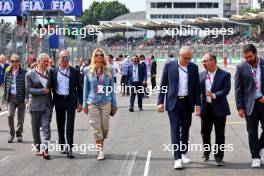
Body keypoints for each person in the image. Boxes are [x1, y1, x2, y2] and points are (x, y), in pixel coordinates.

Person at [157, 46, 201, 169]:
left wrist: (198, 104)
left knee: (186, 129)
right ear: (178, 55)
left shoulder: (193, 67)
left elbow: (197, 87)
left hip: (187, 102)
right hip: (173, 102)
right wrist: (160, 102)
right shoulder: (169, 66)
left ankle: (182, 152)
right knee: (175, 128)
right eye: (185, 58)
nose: (187, 60)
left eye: (189, 58)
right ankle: (177, 158)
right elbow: (163, 84)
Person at [83, 48, 117, 161]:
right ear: (94, 57)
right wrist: (84, 104)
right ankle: (100, 150)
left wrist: (114, 103)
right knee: (96, 127)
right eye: (97, 55)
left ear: (103, 57)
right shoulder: (88, 70)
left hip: (106, 101)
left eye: (101, 55)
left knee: (105, 127)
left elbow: (112, 88)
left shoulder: (110, 69)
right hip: (92, 102)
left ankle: (101, 140)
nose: (99, 57)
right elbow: (86, 89)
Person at [235, 44, 264, 168]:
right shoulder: (241, 67)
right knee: (252, 132)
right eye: (246, 57)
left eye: (250, 56)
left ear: (255, 53)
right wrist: (240, 107)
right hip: (249, 105)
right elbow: (238, 88)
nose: (248, 59)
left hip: (263, 102)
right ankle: (256, 157)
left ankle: (258, 147)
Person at [199, 53, 231, 166]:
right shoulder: (201, 75)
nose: (203, 63)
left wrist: (214, 95)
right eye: (203, 61)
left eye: (205, 61)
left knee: (220, 134)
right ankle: (206, 152)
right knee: (205, 132)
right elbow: (198, 92)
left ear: (213, 61)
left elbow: (226, 90)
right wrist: (197, 106)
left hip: (220, 108)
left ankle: (219, 156)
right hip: (206, 108)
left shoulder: (225, 75)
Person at [50, 50, 83, 159]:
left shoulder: (75, 71)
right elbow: (49, 86)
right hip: (59, 100)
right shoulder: (53, 71)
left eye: (67, 58)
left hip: (71, 101)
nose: (65, 60)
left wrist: (80, 103)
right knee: (60, 124)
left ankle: (70, 148)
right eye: (63, 58)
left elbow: (80, 88)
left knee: (70, 125)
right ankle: (62, 144)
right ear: (58, 59)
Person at [26, 53, 53, 160]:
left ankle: (45, 149)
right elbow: (28, 90)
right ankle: (38, 147)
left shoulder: (50, 72)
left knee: (46, 127)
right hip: (35, 105)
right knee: (36, 128)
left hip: (47, 104)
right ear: (39, 61)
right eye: (45, 61)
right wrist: (42, 91)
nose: (47, 63)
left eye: (48, 61)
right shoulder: (30, 74)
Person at [3, 54, 27, 143]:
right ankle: (12, 134)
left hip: (21, 98)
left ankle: (19, 134)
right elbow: (6, 84)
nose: (14, 63)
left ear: (19, 62)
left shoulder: (24, 72)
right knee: (10, 116)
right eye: (12, 61)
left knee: (20, 119)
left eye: (16, 61)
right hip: (11, 98)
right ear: (10, 62)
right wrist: (5, 97)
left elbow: (27, 86)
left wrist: (27, 97)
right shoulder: (8, 70)